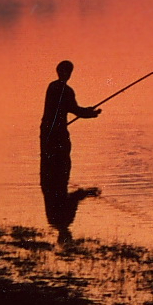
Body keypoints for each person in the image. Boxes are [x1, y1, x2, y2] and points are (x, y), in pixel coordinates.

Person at [39, 60, 101, 239]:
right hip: (57, 132)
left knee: (48, 166)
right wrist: (91, 113)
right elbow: (74, 109)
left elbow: (71, 109)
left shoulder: (52, 87)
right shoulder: (65, 90)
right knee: (63, 165)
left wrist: (86, 111)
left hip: (47, 130)